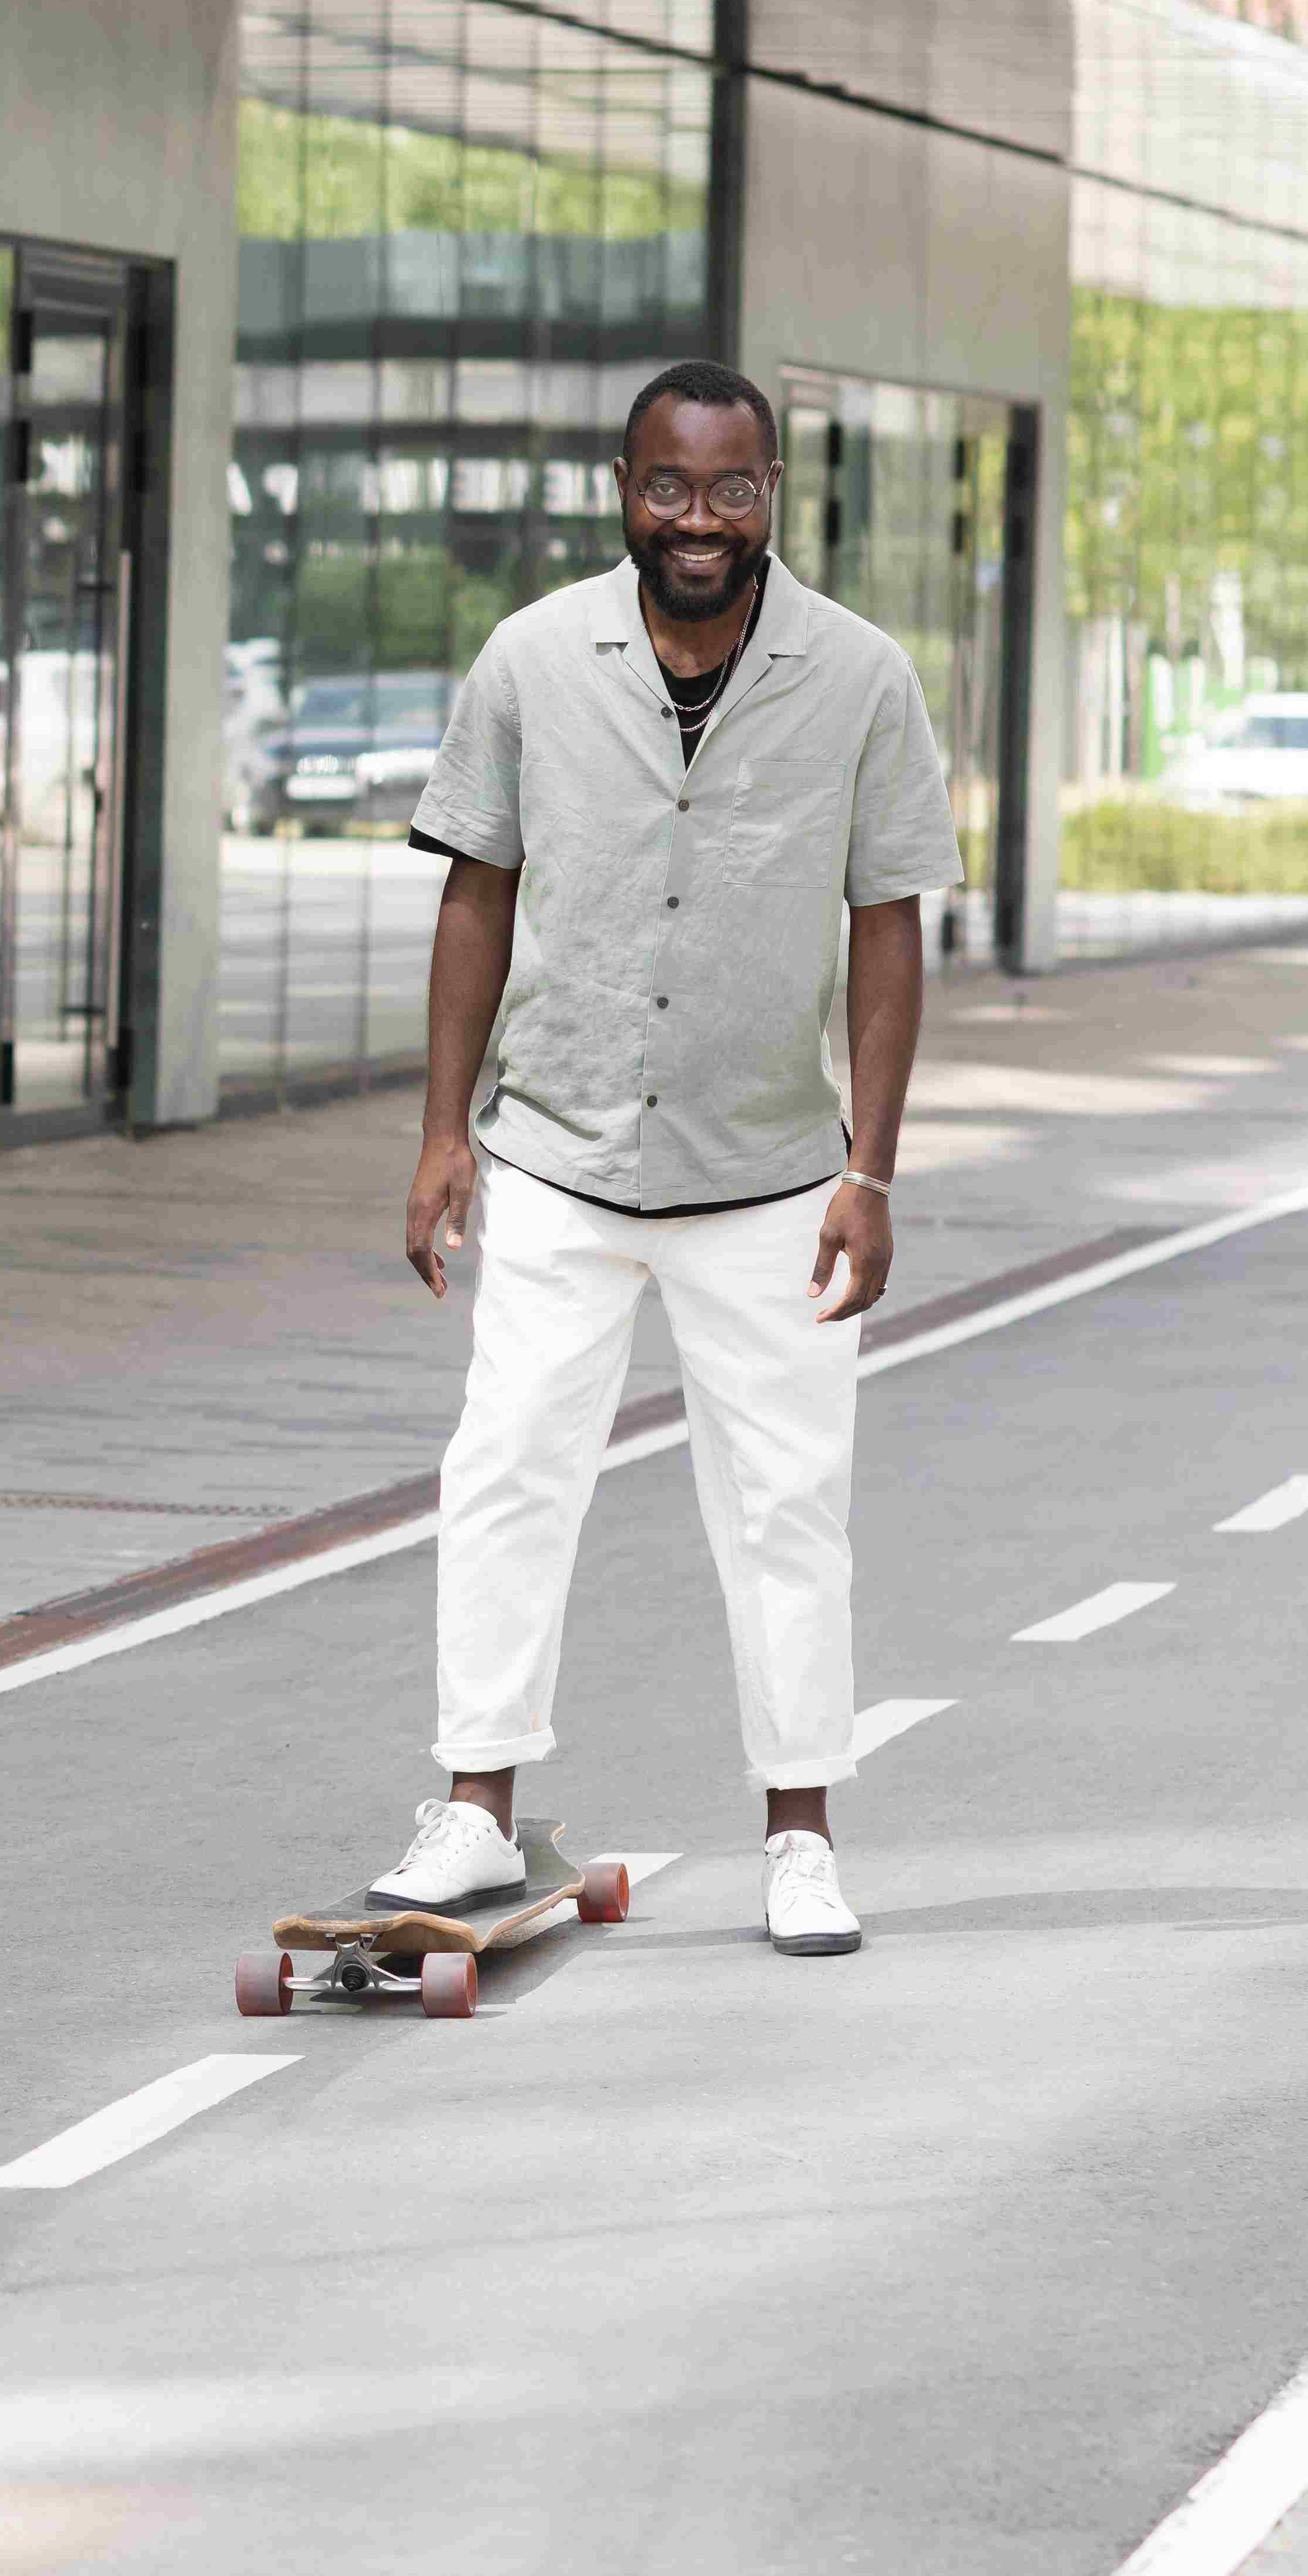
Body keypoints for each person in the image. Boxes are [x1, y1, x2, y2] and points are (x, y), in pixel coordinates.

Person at [371, 361, 960, 1955]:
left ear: (773, 493)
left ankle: (799, 1836)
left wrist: (874, 1171)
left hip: (769, 1173)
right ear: (620, 487)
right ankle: (476, 1812)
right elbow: (474, 892)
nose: (697, 521)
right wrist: (442, 1134)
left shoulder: (856, 676)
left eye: (730, 489)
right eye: (667, 487)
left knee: (784, 1508)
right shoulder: (528, 661)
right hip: (557, 1152)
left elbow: (887, 922)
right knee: (505, 1471)